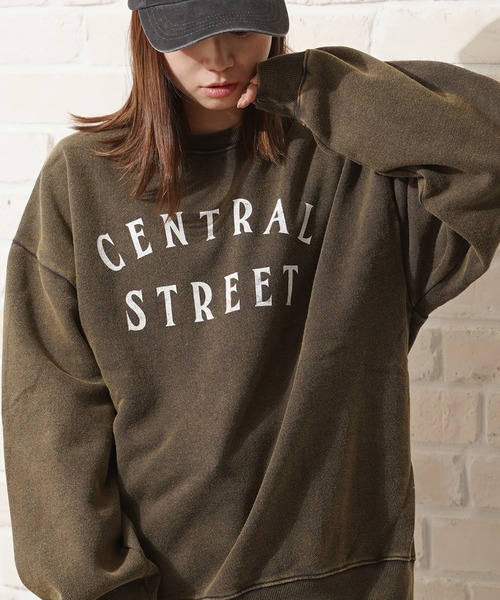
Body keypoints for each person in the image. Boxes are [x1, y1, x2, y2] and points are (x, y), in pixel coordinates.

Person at [2, 0, 500, 598]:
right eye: (192, 35)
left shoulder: (346, 162)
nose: (219, 58)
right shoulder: (80, 183)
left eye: (241, 29)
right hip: (167, 581)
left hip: (341, 577)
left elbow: (488, 153)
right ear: (147, 36)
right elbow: (49, 417)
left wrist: (314, 86)